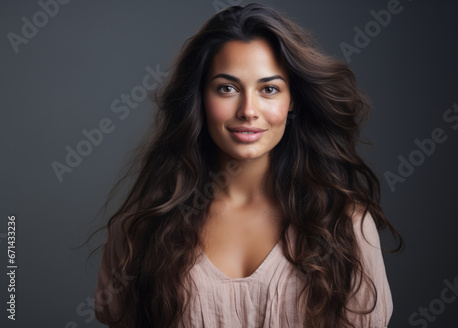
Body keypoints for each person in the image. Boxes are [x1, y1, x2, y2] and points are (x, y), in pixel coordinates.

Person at [92, 3, 403, 327]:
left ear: (291, 99)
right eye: (227, 88)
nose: (248, 110)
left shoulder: (344, 222)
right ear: (200, 96)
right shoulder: (142, 225)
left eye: (269, 89)